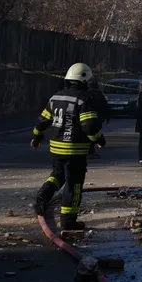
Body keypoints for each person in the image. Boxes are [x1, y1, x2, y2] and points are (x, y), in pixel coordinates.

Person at [31, 63, 105, 230]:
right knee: (74, 184)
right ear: (85, 79)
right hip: (75, 149)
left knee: (57, 175)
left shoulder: (55, 97)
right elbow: (89, 126)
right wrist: (99, 139)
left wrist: (36, 137)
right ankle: (68, 221)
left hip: (56, 147)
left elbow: (43, 121)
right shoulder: (84, 99)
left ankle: (43, 194)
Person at [86, 80, 110, 159]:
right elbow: (104, 105)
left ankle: (90, 150)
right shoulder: (99, 94)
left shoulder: (85, 94)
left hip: (88, 116)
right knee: (95, 133)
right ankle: (92, 149)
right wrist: (107, 116)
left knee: (88, 134)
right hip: (98, 117)